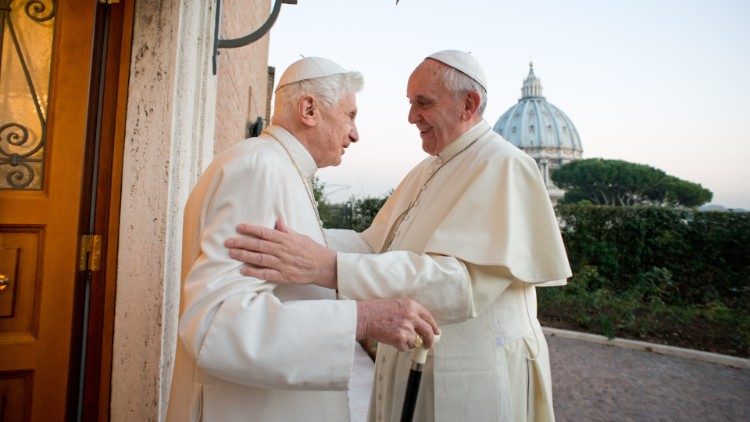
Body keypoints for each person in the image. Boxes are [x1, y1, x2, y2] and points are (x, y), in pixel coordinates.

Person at [225, 50, 572, 421]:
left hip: (473, 378)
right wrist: (291, 238)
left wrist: (329, 267)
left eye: (423, 103)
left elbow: (461, 285)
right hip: (415, 367)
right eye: (411, 104)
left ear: (468, 104)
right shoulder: (428, 168)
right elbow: (373, 246)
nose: (411, 117)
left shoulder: (505, 165)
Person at [167, 56, 440, 422]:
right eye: (350, 116)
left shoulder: (277, 166)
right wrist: (359, 320)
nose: (355, 134)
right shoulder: (259, 168)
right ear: (309, 109)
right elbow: (214, 324)